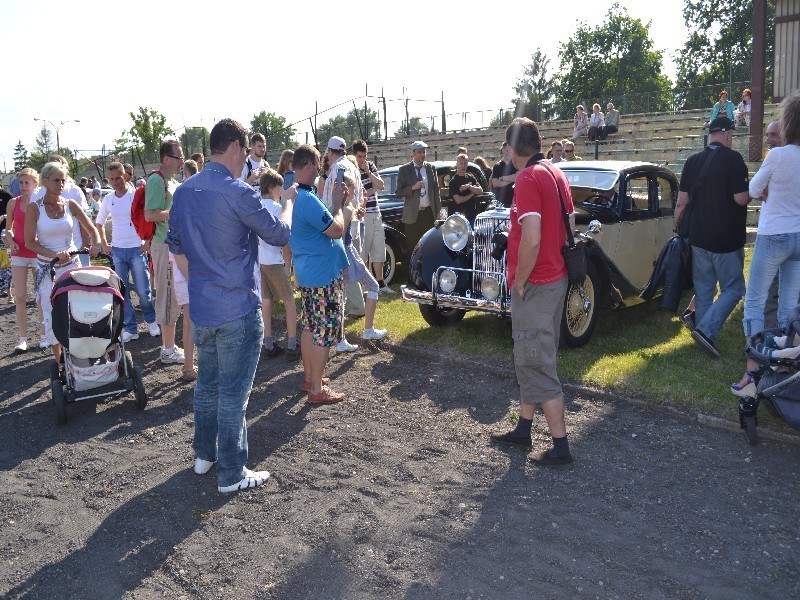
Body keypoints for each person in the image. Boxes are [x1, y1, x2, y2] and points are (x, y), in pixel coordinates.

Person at [167, 117, 293, 494]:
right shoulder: (238, 191)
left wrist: (203, 283)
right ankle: (232, 473)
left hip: (204, 308)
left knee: (208, 385)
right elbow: (279, 233)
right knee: (233, 394)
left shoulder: (185, 192)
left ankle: (204, 456)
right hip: (237, 308)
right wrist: (285, 204)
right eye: (244, 153)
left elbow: (176, 247)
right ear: (237, 147)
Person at [490, 117, 575, 466]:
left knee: (536, 361)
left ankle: (561, 446)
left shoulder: (526, 177)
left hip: (537, 283)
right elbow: (567, 223)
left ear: (511, 149)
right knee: (529, 355)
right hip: (556, 277)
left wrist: (521, 280)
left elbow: (535, 238)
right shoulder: (555, 172)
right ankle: (524, 428)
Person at [732, 94, 800, 396]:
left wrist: (770, 190)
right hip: (798, 237)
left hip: (774, 235)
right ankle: (783, 367)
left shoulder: (777, 155)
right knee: (788, 306)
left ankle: (752, 372)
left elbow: (753, 189)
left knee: (756, 303)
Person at [674, 117, 750, 358]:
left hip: (698, 237)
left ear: (710, 134)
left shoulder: (693, 161)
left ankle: (702, 332)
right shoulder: (734, 159)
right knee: (734, 288)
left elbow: (681, 202)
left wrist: (677, 230)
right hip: (726, 239)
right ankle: (706, 330)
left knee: (705, 290)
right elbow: (740, 198)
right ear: (727, 134)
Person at [24, 161, 101, 367]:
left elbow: (91, 228)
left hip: (72, 266)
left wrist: (96, 242)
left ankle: (81, 354)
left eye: (63, 180)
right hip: (47, 269)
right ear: (45, 181)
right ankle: (59, 362)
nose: (60, 184)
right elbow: (30, 242)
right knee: (51, 313)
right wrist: (54, 254)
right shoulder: (35, 208)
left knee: (78, 309)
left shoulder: (70, 204)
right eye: (56, 180)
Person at [288, 144, 349, 403]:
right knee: (323, 331)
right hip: (322, 276)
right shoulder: (308, 199)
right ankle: (316, 390)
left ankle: (310, 377)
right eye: (318, 165)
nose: (320, 171)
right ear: (310, 165)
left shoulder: (295, 197)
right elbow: (336, 230)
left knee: (311, 327)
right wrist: (339, 206)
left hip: (309, 274)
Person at [96, 162, 159, 344]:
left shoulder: (135, 195)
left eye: (118, 177)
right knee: (122, 293)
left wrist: (147, 241)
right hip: (117, 250)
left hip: (136, 248)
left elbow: (148, 217)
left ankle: (151, 320)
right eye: (112, 179)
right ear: (108, 180)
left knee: (143, 290)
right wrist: (104, 244)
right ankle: (131, 328)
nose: (116, 182)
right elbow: (99, 223)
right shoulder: (108, 199)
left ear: (125, 176)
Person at [144, 139, 185, 366]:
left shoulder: (170, 181)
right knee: (168, 295)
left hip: (172, 245)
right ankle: (167, 349)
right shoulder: (157, 181)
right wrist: (173, 212)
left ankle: (170, 345)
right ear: (166, 159)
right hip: (163, 246)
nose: (182, 161)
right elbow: (150, 214)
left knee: (175, 295)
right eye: (178, 157)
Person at [322, 137, 365, 330]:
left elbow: (338, 201)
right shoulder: (352, 166)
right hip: (351, 221)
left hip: (342, 224)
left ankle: (356, 305)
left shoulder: (339, 169)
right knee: (350, 266)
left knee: (347, 268)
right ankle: (354, 304)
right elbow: (361, 195)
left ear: (330, 152)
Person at [257, 168, 299, 360]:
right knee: (290, 302)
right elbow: (285, 232)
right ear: (273, 188)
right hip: (274, 260)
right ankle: (292, 343)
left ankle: (269, 342)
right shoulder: (275, 208)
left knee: (266, 301)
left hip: (260, 261)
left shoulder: (257, 206)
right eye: (281, 186)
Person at [4, 168, 41, 352]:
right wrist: (10, 240)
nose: (24, 186)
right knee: (20, 296)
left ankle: (44, 335)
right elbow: (8, 229)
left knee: (41, 296)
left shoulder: (41, 203)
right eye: (21, 183)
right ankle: (22, 338)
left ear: (36, 184)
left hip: (36, 253)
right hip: (18, 253)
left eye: (27, 182)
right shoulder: (13, 203)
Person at [353, 139, 392, 293]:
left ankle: (381, 283)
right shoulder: (353, 169)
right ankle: (363, 284)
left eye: (365, 156)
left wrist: (369, 172)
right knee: (363, 252)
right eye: (360, 156)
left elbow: (381, 185)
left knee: (379, 250)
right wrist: (370, 191)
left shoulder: (370, 167)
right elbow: (359, 194)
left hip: (376, 213)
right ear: (354, 155)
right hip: (363, 215)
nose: (363, 159)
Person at [396, 140, 443, 254]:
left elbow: (436, 191)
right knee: (413, 246)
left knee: (428, 244)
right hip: (412, 215)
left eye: (424, 152)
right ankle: (412, 270)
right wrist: (413, 187)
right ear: (413, 153)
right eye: (420, 152)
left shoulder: (430, 168)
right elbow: (399, 191)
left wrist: (438, 211)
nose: (423, 155)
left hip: (428, 214)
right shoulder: (404, 169)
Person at [449, 154, 483, 224]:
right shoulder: (453, 181)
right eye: (461, 163)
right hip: (459, 218)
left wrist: (469, 187)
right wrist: (471, 194)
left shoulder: (471, 178)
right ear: (457, 164)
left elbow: (480, 191)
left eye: (465, 163)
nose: (463, 166)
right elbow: (458, 200)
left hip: (472, 215)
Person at [490, 142, 518, 209]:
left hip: (515, 199)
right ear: (502, 150)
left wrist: (503, 178)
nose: (508, 152)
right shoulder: (497, 166)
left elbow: (518, 176)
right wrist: (512, 179)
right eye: (506, 150)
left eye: (510, 150)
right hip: (501, 201)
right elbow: (495, 183)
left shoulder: (516, 164)